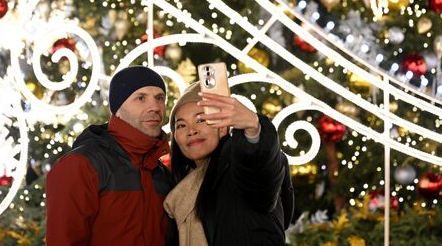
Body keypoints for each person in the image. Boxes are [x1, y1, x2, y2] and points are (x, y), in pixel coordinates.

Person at [45, 66, 172, 246]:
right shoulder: (81, 166)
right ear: (117, 108)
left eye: (160, 98)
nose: (155, 107)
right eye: (141, 98)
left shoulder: (163, 174)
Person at [164, 82, 294, 246]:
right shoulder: (182, 187)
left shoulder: (236, 163)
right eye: (181, 125)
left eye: (201, 120)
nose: (191, 130)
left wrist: (254, 128)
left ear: (223, 128)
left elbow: (258, 170)